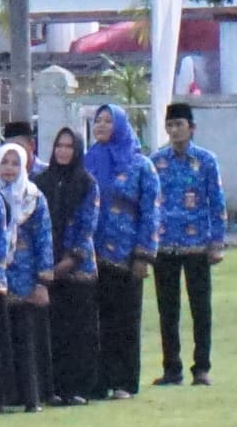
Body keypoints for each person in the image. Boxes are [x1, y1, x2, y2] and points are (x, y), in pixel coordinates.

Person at [148, 102, 225, 386]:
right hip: (165, 244)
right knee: (167, 309)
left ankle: (201, 367)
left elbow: (216, 202)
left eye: (180, 125)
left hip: (196, 244)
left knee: (200, 308)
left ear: (191, 128)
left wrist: (217, 242)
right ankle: (172, 368)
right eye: (170, 125)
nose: (175, 130)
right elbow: (150, 203)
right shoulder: (157, 162)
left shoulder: (206, 161)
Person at [85, 106, 153, 398]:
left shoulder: (140, 165)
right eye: (97, 121)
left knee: (124, 318)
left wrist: (143, 254)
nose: (100, 126)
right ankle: (99, 380)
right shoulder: (88, 160)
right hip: (92, 253)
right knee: (96, 318)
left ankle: (124, 380)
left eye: (107, 121)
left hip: (126, 253)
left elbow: (151, 212)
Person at [0, 137, 53, 413]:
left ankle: (31, 397)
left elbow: (44, 240)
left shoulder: (34, 197)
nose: (10, 168)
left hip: (25, 276)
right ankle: (1, 397)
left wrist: (42, 281)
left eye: (16, 163)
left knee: (25, 338)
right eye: (5, 162)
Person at [37, 126, 100, 405]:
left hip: (77, 270)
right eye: (59, 146)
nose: (63, 151)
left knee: (79, 331)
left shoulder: (86, 183)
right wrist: (45, 265)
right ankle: (54, 388)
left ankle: (78, 388)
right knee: (54, 330)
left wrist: (67, 262)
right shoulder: (42, 182)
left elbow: (86, 226)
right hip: (47, 266)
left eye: (69, 147)